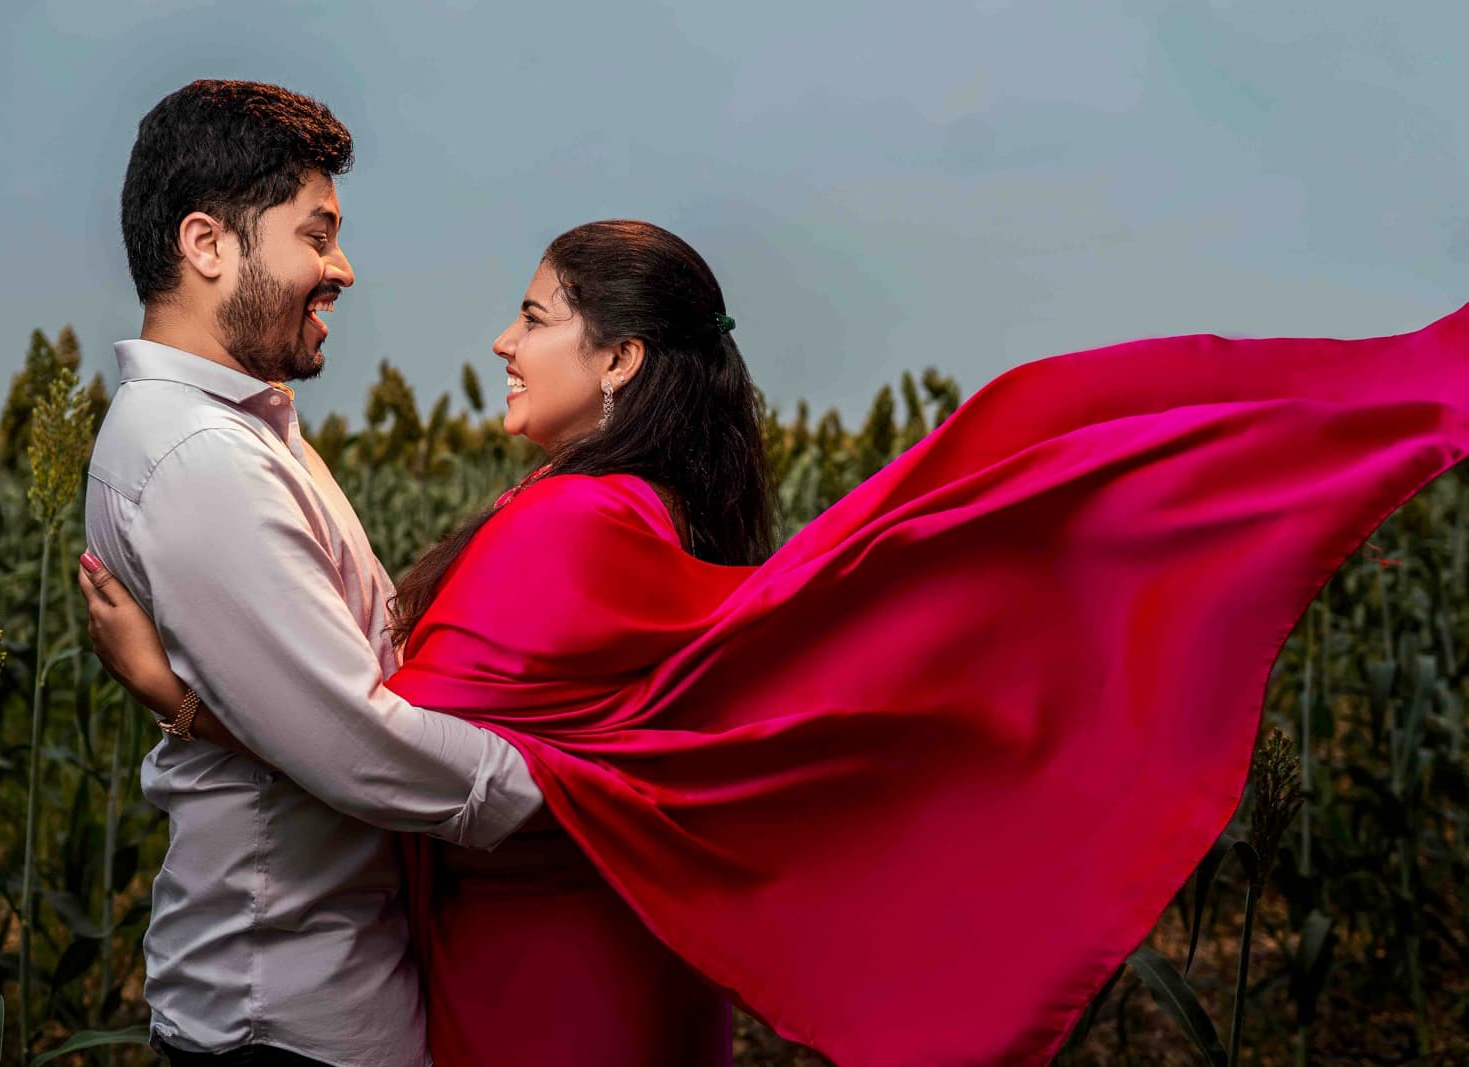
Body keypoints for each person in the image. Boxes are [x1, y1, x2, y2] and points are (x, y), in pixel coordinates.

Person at [84, 216, 1469, 1066]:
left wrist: (181, 690)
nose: (503, 341)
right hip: (629, 980)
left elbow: (382, 751)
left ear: (618, 357)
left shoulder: (565, 531)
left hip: (544, 997)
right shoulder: (639, 516)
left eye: (535, 315)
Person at [83, 79, 544, 1067]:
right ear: (208, 246)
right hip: (284, 1013)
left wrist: (180, 704)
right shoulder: (200, 458)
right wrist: (579, 792)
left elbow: (330, 694)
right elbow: (357, 744)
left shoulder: (250, 426)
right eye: (315, 232)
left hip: (323, 983)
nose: (340, 267)